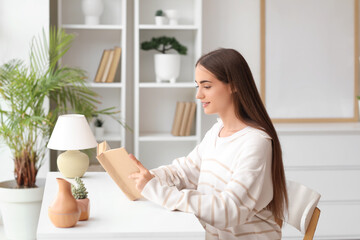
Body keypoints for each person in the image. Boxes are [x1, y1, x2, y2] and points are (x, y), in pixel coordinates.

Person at [129, 48, 288, 240]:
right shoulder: (217, 131)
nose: (198, 95)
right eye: (197, 86)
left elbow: (229, 210)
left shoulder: (255, 143)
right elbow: (185, 172)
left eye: (207, 86)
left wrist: (158, 191)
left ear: (234, 85)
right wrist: (148, 177)